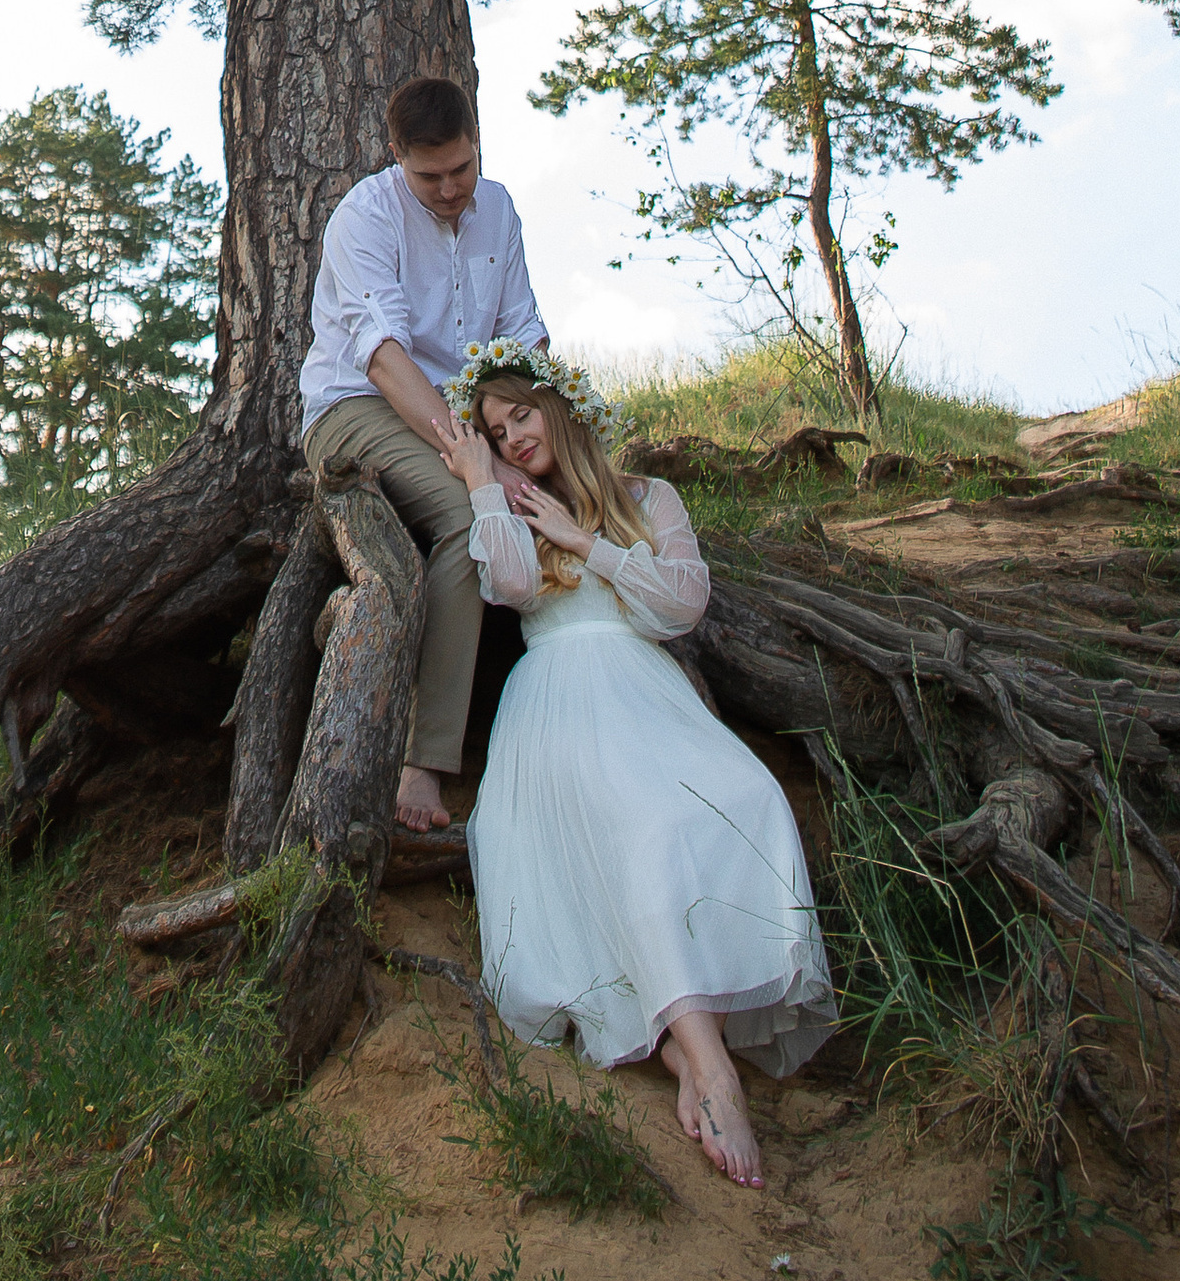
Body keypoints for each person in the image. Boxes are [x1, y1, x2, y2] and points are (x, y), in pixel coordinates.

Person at [442, 351, 835, 1189]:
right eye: (494, 430)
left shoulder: (650, 497)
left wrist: (590, 542)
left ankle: (686, 1055)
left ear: (558, 406)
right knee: (642, 830)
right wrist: (482, 486)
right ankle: (716, 1069)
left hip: (647, 692)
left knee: (748, 798)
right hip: (558, 700)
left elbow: (681, 603)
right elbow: (510, 585)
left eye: (520, 416)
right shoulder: (506, 504)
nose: (511, 438)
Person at [296, 75, 549, 836]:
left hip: (460, 413)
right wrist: (475, 460)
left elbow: (524, 336)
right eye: (428, 175)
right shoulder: (364, 217)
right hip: (356, 407)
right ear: (396, 155)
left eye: (461, 170)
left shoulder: (499, 209)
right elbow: (382, 359)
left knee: (558, 497)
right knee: (466, 514)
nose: (448, 189)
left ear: (477, 144)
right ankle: (425, 759)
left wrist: (539, 438)